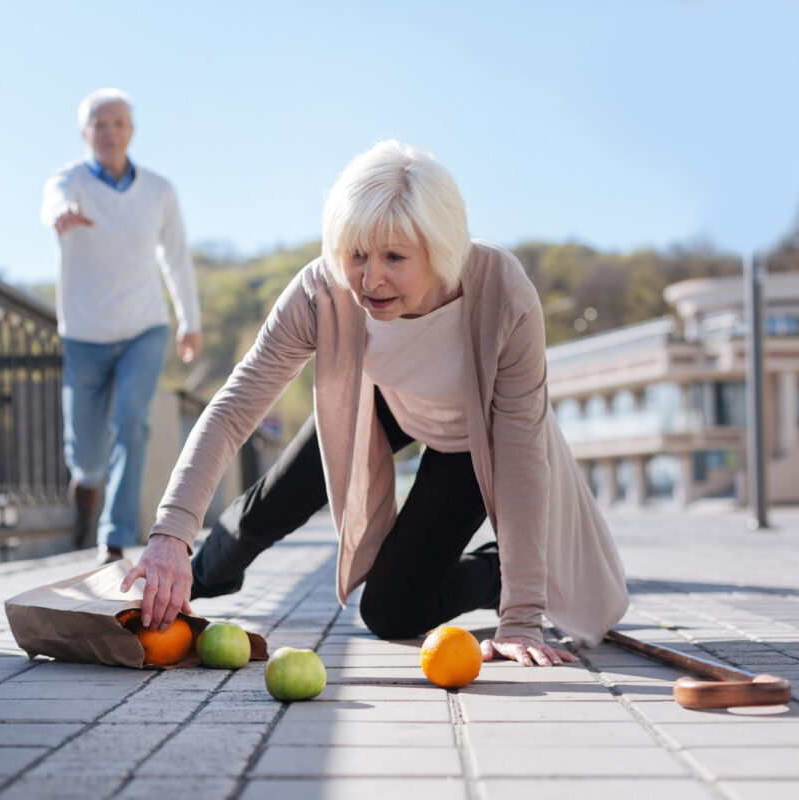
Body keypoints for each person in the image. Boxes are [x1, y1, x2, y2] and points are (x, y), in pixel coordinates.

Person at [122, 140, 628, 665]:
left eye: (394, 257)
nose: (369, 279)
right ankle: (179, 585)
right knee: (261, 513)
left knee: (391, 613)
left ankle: (502, 570)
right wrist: (170, 535)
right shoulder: (322, 290)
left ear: (440, 247)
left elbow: (522, 453)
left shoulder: (503, 292)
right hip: (382, 402)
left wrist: (521, 614)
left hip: (475, 436)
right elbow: (233, 410)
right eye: (357, 254)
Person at [40, 88, 202, 565]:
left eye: (117, 123)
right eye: (99, 124)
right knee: (87, 454)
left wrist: (189, 321)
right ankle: (86, 485)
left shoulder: (158, 190)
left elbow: (176, 258)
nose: (109, 132)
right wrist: (60, 214)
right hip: (84, 333)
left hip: (143, 327)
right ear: (84, 133)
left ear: (130, 130)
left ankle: (114, 539)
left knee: (133, 421)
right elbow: (51, 202)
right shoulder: (67, 181)